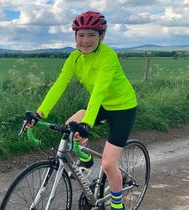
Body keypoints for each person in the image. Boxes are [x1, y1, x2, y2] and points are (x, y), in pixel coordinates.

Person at [26, 11, 137, 210]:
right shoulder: (74, 57)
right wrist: (40, 113)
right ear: (75, 36)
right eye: (81, 34)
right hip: (101, 105)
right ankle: (85, 160)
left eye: (91, 35)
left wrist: (87, 123)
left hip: (123, 108)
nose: (85, 40)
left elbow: (99, 91)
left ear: (101, 36)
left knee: (109, 163)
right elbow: (60, 84)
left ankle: (118, 204)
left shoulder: (107, 56)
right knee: (70, 126)